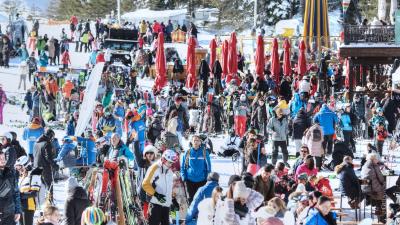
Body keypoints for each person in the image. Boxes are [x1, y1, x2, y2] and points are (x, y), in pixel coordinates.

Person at [142, 149, 177, 225]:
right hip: (155, 205)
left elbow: (168, 188)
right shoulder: (155, 167)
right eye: (170, 162)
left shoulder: (170, 171)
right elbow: (145, 184)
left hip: (166, 205)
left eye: (172, 163)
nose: (171, 164)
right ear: (164, 159)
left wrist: (173, 200)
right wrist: (157, 195)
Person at [180, 135, 211, 204]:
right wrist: (183, 176)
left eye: (197, 140)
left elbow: (208, 166)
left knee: (200, 200)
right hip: (189, 180)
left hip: (202, 180)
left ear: (200, 142)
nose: (196, 142)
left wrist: (208, 177)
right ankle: (191, 214)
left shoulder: (204, 152)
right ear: (191, 142)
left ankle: (199, 214)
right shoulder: (187, 152)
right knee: (190, 199)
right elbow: (182, 166)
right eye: (194, 140)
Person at [33, 129, 59, 200]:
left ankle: (40, 199)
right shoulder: (47, 143)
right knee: (49, 184)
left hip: (36, 167)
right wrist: (54, 165)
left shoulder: (36, 143)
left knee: (39, 185)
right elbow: (49, 157)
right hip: (44, 167)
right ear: (50, 136)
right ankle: (50, 199)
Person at [15, 156, 41, 225]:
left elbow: (33, 193)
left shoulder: (34, 175)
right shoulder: (21, 177)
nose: (18, 169)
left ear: (25, 165)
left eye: (19, 167)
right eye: (17, 167)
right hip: (20, 207)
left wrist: (19, 195)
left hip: (29, 207)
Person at [360, 153, 386, 222]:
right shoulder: (374, 166)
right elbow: (380, 178)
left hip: (365, 188)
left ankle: (374, 203)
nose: (377, 160)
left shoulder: (364, 165)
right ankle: (380, 214)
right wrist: (383, 183)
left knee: (380, 188)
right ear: (373, 159)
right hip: (373, 189)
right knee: (383, 190)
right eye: (376, 159)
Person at [0, 151, 21, 225]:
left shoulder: (11, 172)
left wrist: (18, 211)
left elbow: (16, 192)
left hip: (10, 212)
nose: (2, 160)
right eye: (0, 159)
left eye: (3, 158)